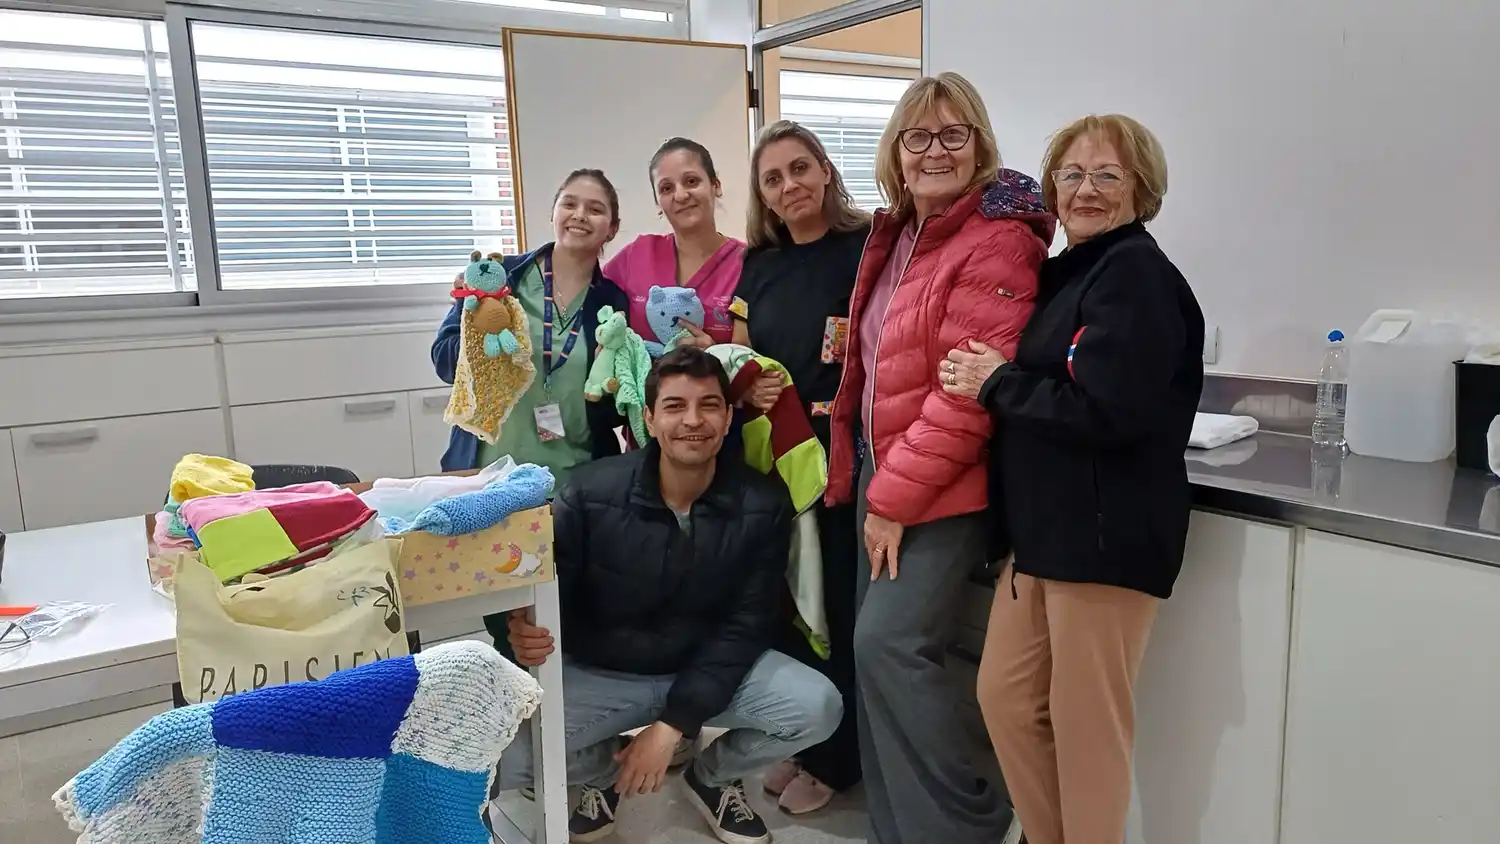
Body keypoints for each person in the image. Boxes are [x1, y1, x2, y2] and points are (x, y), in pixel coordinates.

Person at [944, 114, 1205, 844]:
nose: (1085, 189)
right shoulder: (1069, 272)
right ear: (1050, 186)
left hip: (1105, 536)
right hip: (1044, 537)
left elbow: (1107, 408)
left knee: (1089, 729)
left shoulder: (1138, 277)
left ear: (1141, 189)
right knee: (1004, 698)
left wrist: (997, 385)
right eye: (1072, 174)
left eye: (1107, 176)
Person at [823, 72, 1055, 844]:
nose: (935, 151)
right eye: (917, 137)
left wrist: (891, 498)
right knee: (874, 656)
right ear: (895, 152)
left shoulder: (999, 243)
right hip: (884, 473)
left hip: (940, 488)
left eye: (953, 134)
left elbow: (963, 396)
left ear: (981, 146)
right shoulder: (898, 235)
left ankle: (968, 825)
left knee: (886, 644)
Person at [497, 346, 843, 844]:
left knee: (819, 706)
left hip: (711, 667)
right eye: (676, 406)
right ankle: (603, 771)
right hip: (606, 669)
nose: (693, 421)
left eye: (709, 405)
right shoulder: (587, 493)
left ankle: (712, 777)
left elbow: (746, 627)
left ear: (728, 418)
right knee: (510, 751)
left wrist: (672, 725)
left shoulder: (763, 505)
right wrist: (524, 629)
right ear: (649, 418)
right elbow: (548, 599)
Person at [728, 119, 870, 815]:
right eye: (774, 178)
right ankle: (807, 738)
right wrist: (746, 384)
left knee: (834, 605)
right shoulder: (760, 264)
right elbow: (741, 353)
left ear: (826, 170)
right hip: (774, 463)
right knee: (786, 604)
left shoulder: (868, 246)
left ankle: (841, 761)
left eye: (800, 168)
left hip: (840, 460)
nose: (791, 186)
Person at [432, 168, 628, 480]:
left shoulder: (612, 302)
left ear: (612, 228)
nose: (580, 215)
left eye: (595, 209)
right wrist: (478, 333)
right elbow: (443, 360)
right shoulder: (499, 276)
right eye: (569, 204)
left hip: (573, 481)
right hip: (487, 475)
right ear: (553, 213)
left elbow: (614, 406)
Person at [605, 137, 745, 348]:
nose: (680, 195)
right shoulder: (637, 254)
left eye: (691, 181)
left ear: (715, 186)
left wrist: (716, 356)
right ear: (658, 203)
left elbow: (761, 354)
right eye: (667, 188)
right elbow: (591, 297)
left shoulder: (747, 262)